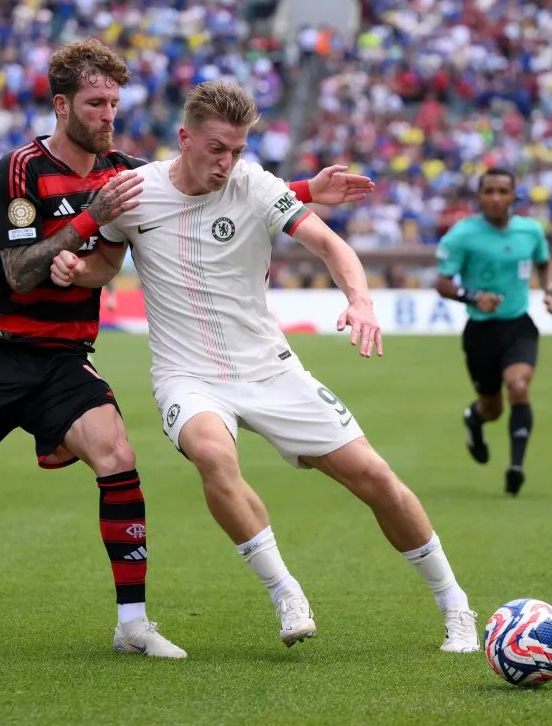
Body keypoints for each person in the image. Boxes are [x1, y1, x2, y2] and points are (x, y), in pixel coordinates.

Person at [0, 41, 372, 657]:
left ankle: (132, 626)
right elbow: (17, 272)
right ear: (62, 105)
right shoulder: (21, 169)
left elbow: (197, 187)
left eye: (114, 103)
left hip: (60, 359)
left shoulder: (123, 172)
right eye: (95, 103)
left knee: (118, 457)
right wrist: (85, 224)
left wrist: (305, 189)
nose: (107, 116)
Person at [50, 81, 479, 654]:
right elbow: (105, 262)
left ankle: (455, 606)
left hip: (269, 369)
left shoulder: (256, 186)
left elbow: (330, 245)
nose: (227, 162)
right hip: (189, 376)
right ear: (186, 139)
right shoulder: (134, 193)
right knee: (211, 453)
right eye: (217, 148)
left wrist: (361, 301)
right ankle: (285, 591)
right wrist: (78, 273)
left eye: (237, 150)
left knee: (375, 478)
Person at [433, 168, 552, 496]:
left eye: (503, 191)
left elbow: (544, 263)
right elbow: (443, 282)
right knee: (493, 409)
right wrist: (473, 297)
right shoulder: (462, 235)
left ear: (514, 196)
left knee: (518, 386)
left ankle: (516, 468)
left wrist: (550, 292)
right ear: (479, 196)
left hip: (518, 325)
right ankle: (473, 421)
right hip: (481, 333)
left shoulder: (530, 231)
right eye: (489, 191)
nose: (495, 198)